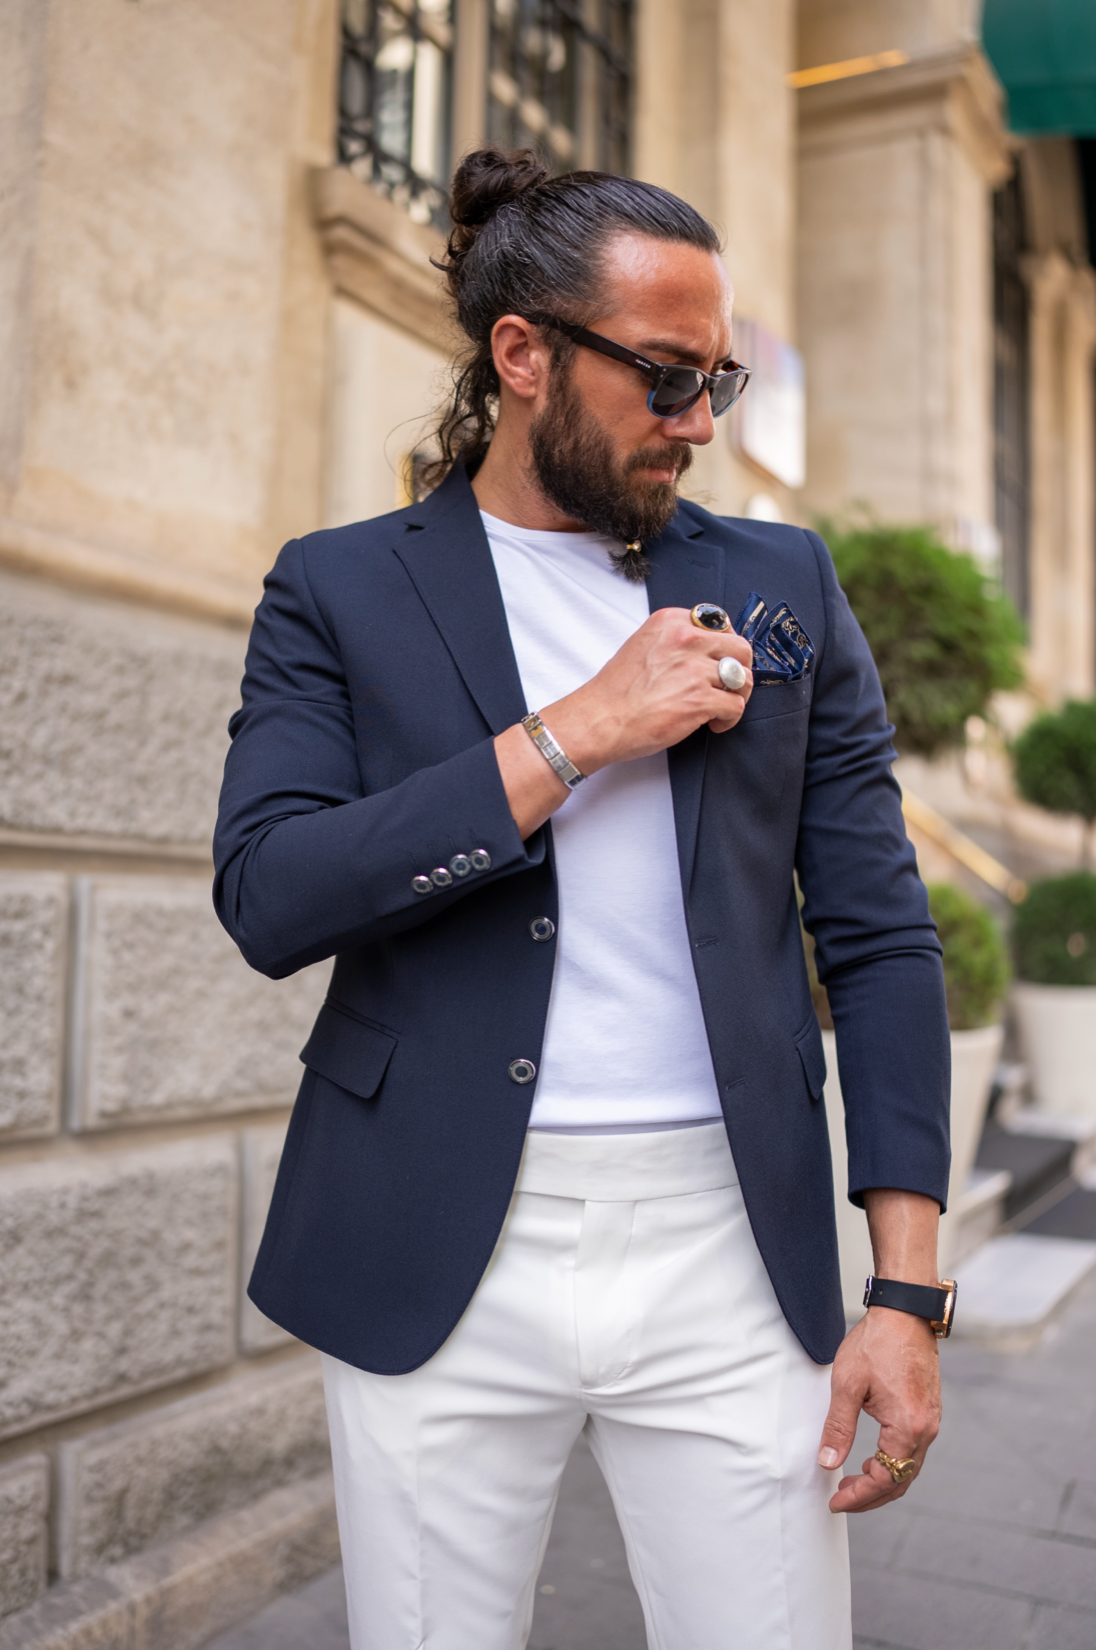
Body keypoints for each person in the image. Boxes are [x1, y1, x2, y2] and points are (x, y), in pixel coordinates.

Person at [213, 148, 952, 1650]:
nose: (699, 423)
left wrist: (906, 1292)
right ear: (523, 353)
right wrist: (575, 735)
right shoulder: (339, 587)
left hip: (730, 1242)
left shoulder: (785, 581)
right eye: (666, 377)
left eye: (718, 381)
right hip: (433, 1231)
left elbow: (880, 938)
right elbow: (272, 893)